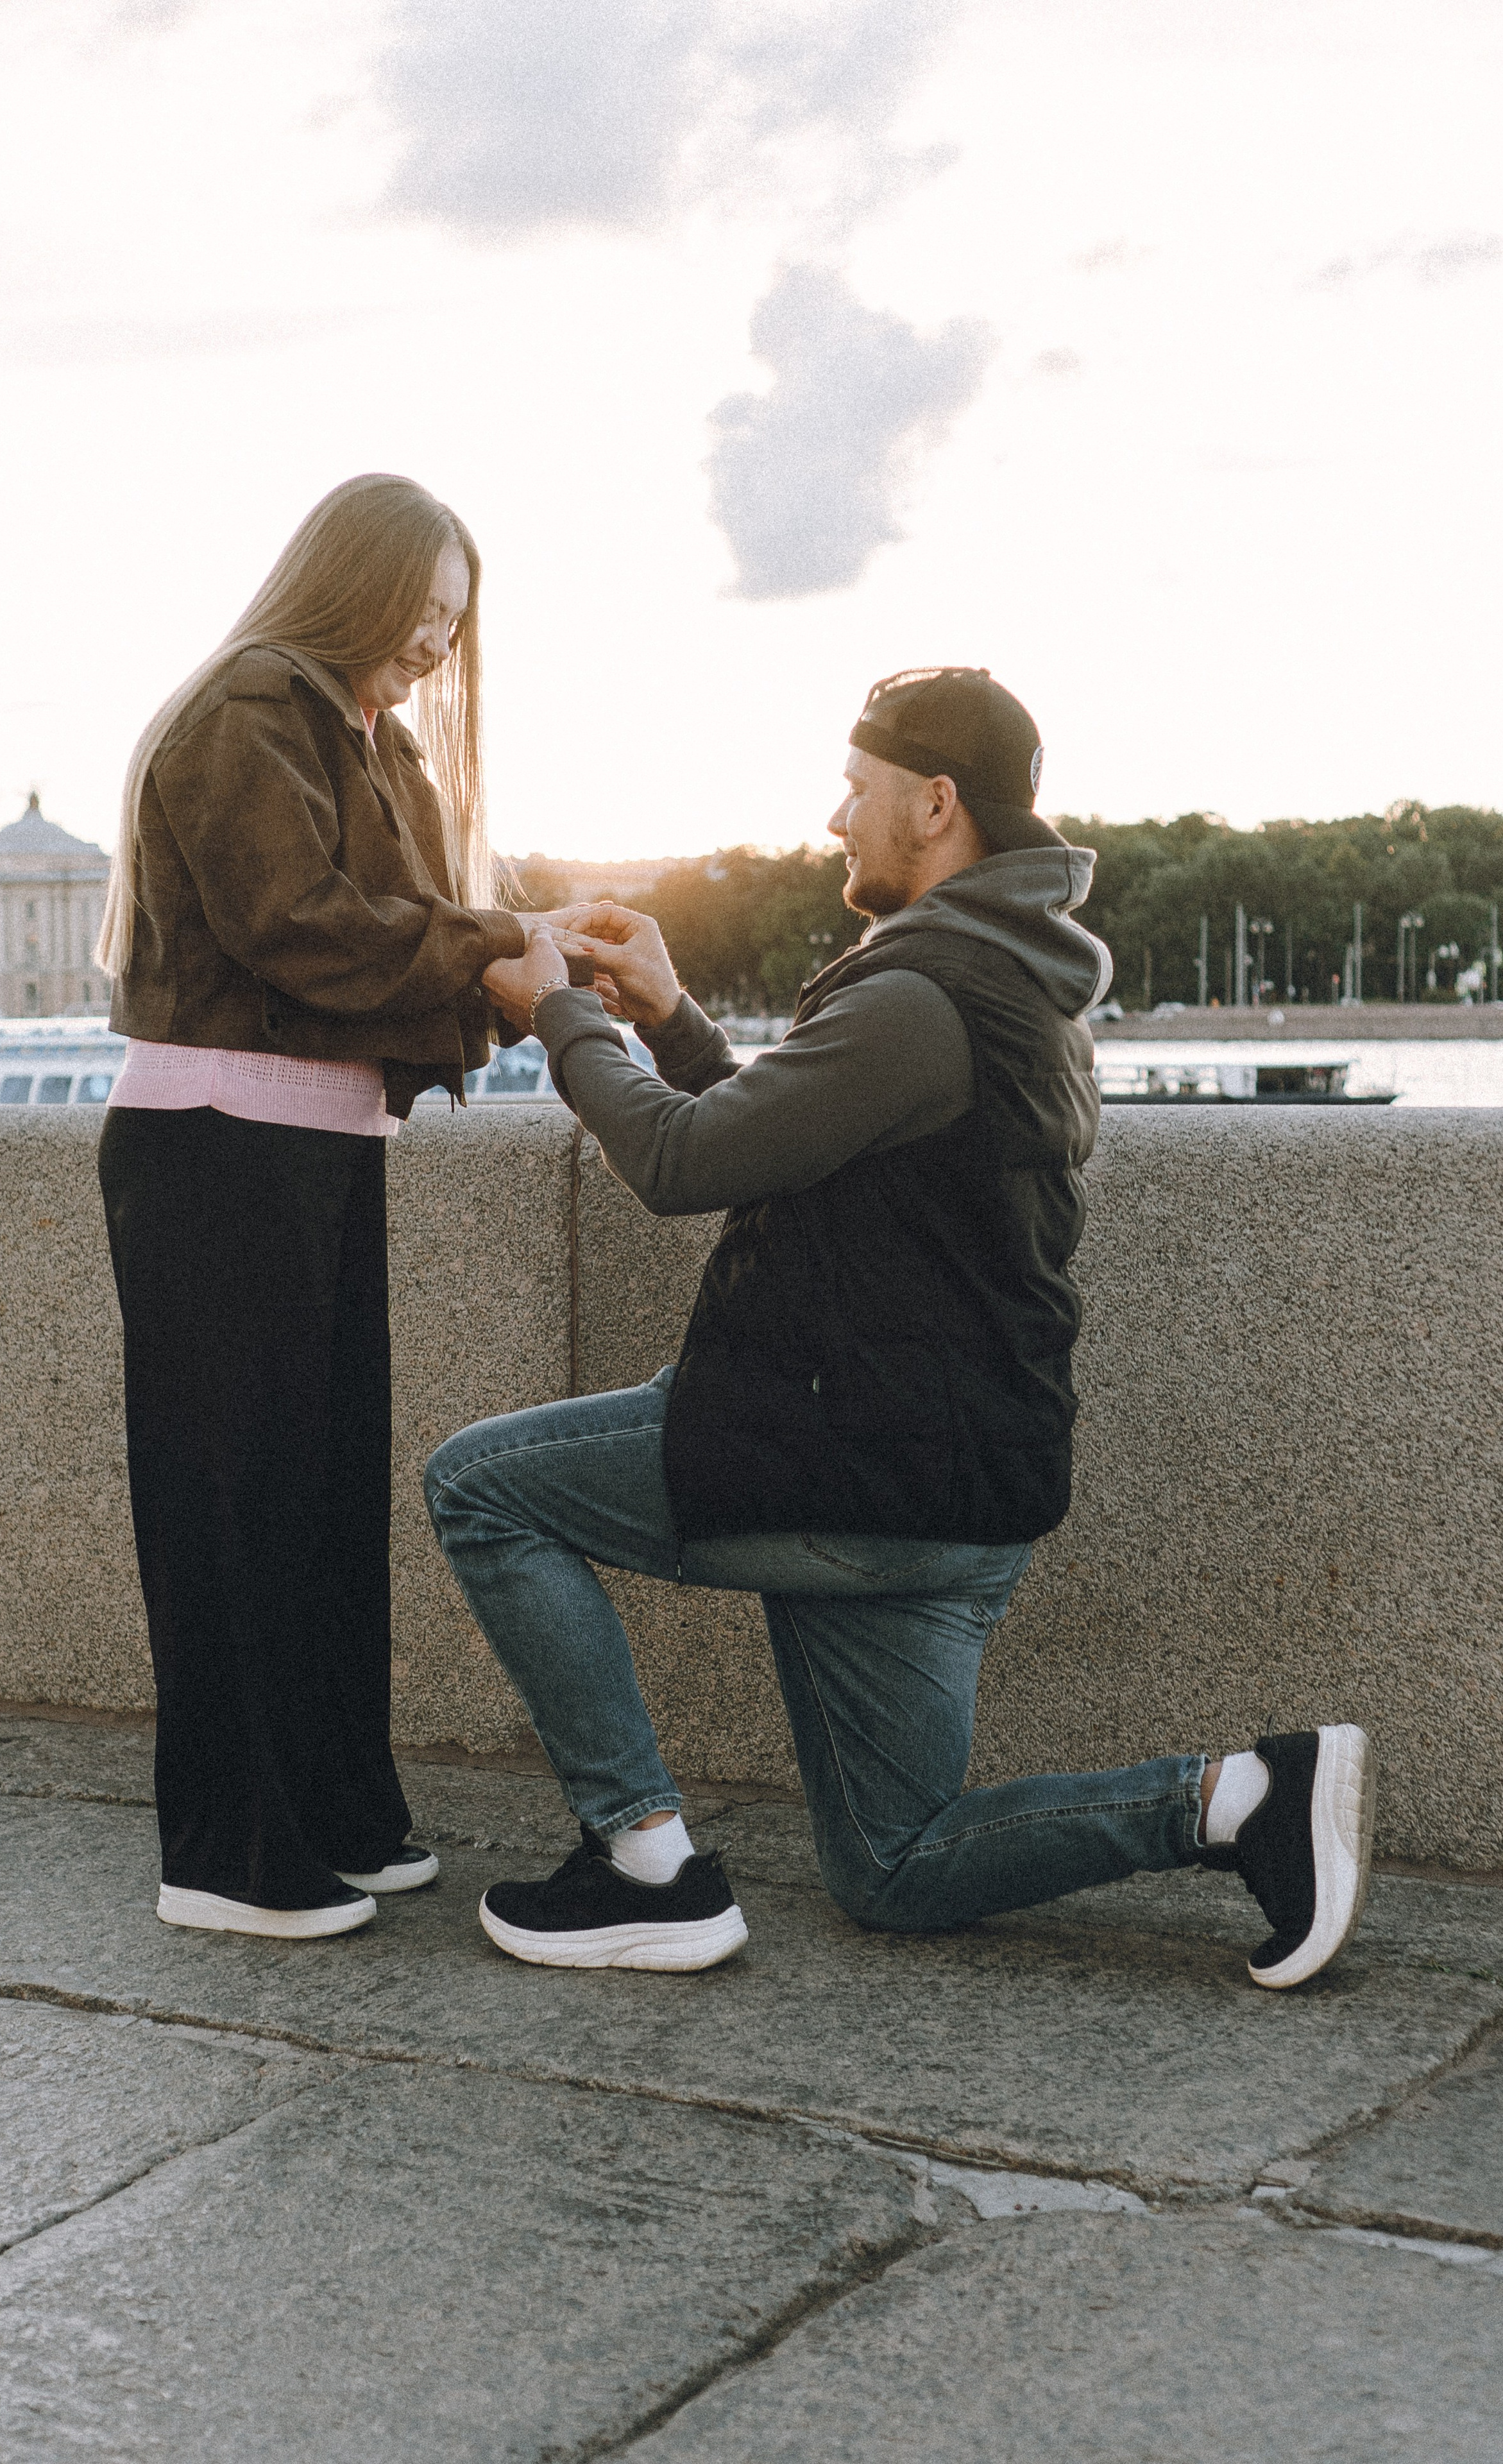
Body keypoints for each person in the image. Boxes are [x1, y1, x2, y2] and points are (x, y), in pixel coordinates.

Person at [428, 665, 1377, 1987]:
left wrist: (561, 1016)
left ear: (932, 803)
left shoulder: (917, 993)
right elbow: (805, 1145)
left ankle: (641, 1864)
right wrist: (675, 1018)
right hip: (952, 1487)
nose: (831, 820)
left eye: (855, 788)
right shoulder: (1004, 982)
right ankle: (1233, 1800)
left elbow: (680, 1167)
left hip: (848, 1460)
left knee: (480, 1487)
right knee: (893, 1864)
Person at [97, 472, 572, 1942]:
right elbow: (299, 929)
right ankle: (227, 1856)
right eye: (419, 608)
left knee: (316, 1500)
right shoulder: (252, 704)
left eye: (452, 618)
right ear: (348, 583)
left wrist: (521, 967)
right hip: (217, 1152)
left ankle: (331, 1813)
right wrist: (506, 949)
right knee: (233, 1506)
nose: (436, 641)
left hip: (306, 1146)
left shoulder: (360, 733)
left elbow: (388, 955)